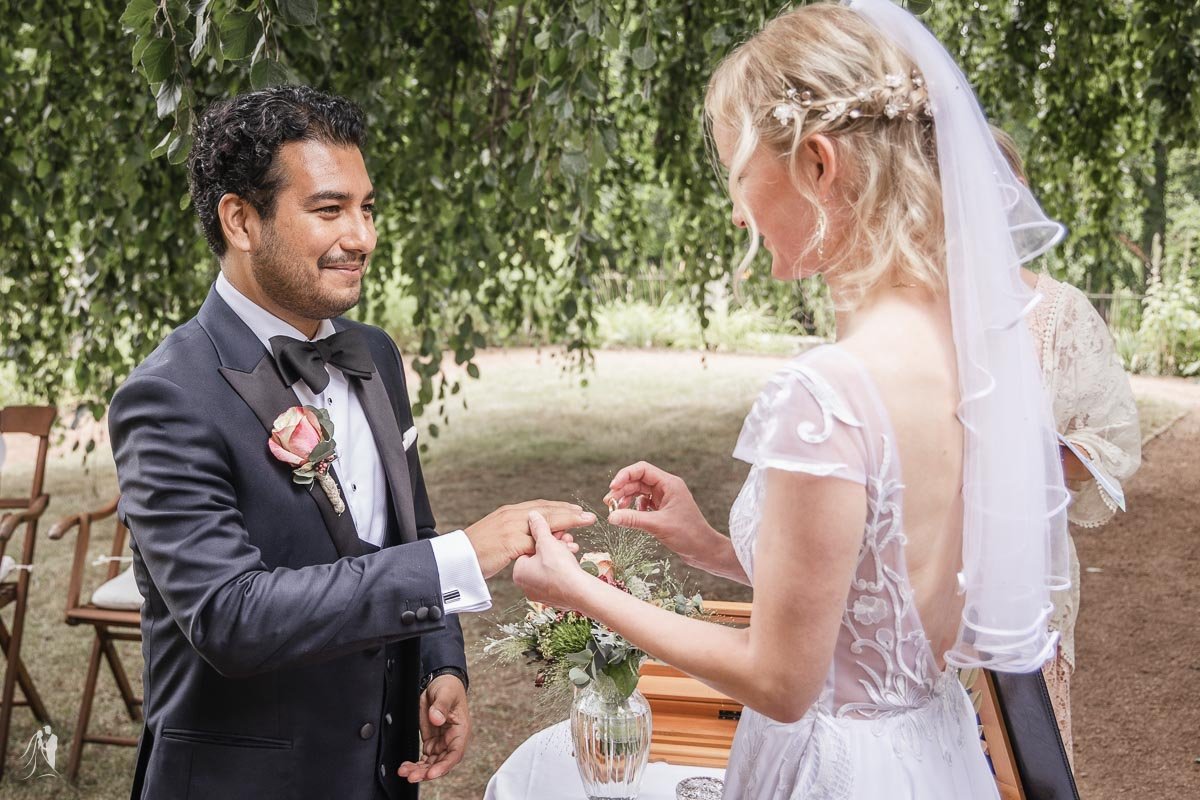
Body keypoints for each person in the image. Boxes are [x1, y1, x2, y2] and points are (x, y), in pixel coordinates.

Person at [512, 1, 1072, 797]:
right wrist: (706, 543)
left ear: (816, 163)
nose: (738, 213)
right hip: (935, 753)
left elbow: (781, 681)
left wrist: (583, 593)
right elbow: (877, 594)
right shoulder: (965, 355)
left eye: (741, 177)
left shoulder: (830, 390)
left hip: (836, 770)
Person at [108, 86, 591, 800]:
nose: (362, 237)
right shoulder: (168, 396)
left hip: (380, 775)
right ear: (240, 220)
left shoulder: (374, 355)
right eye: (330, 210)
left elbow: (406, 531)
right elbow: (230, 617)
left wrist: (440, 664)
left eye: (367, 209)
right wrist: (464, 556)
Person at [993, 126, 1142, 762]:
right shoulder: (904, 313)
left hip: (1029, 577)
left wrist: (1022, 465)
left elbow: (1110, 442)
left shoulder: (1060, 314)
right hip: (921, 586)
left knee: (1024, 757)